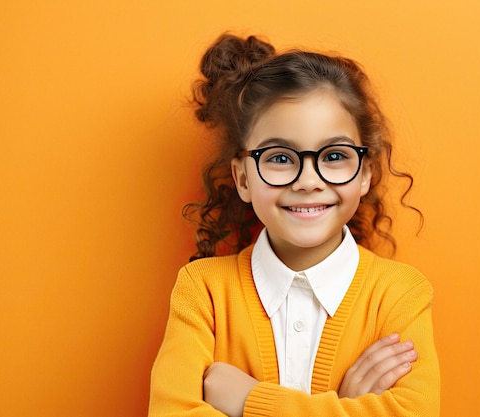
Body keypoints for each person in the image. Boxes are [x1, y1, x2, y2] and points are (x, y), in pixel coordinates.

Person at [149, 33, 440, 417]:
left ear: (366, 173)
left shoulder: (401, 294)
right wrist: (345, 406)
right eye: (280, 158)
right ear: (243, 179)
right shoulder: (202, 291)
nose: (307, 181)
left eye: (334, 155)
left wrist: (249, 401)